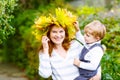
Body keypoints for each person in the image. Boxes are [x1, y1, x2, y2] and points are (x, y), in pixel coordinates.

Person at [34, 8, 101, 80]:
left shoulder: (74, 45)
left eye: (61, 31)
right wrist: (46, 49)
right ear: (48, 34)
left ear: (65, 33)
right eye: (54, 32)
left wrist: (98, 74)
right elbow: (45, 74)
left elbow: (94, 57)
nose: (58, 35)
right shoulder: (45, 52)